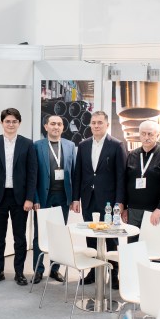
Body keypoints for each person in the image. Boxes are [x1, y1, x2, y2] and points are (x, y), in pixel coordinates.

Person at [0, 108, 38, 286]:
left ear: (19, 123)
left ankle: (19, 272)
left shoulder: (27, 144)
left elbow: (32, 173)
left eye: (14, 121)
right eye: (7, 121)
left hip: (20, 198)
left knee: (20, 237)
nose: (11, 124)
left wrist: (30, 198)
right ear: (2, 123)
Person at [71, 111, 126, 285]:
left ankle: (114, 274)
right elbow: (78, 174)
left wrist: (120, 202)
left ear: (107, 125)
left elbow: (121, 177)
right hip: (88, 198)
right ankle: (93, 272)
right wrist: (75, 198)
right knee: (91, 235)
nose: (96, 125)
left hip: (109, 201)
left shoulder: (116, 145)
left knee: (111, 237)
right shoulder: (83, 145)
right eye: (93, 122)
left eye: (100, 122)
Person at [32, 115, 76, 284]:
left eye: (59, 124)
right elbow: (33, 175)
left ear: (63, 127)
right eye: (52, 124)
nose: (56, 127)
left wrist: (73, 198)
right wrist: (35, 198)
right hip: (44, 196)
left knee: (59, 235)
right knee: (40, 234)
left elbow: (74, 173)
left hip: (63, 197)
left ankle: (55, 269)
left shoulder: (70, 146)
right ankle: (38, 270)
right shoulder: (37, 146)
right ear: (46, 126)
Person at [123, 120, 160, 240]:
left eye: (150, 134)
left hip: (154, 211)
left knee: (152, 247)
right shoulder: (132, 155)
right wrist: (125, 207)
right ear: (139, 135)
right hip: (133, 210)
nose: (146, 137)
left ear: (157, 135)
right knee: (133, 246)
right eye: (143, 134)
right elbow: (125, 182)